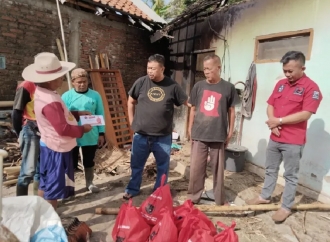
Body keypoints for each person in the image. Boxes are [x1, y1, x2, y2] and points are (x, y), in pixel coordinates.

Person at [247, 51, 323, 223]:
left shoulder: (311, 88)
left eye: (290, 71)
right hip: (275, 137)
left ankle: (286, 206)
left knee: (290, 175)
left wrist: (278, 121)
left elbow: (305, 114)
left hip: (293, 141)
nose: (287, 74)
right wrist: (273, 123)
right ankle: (265, 196)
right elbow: (270, 104)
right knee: (270, 169)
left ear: (302, 68)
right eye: (285, 70)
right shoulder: (281, 84)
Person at [22, 52, 92, 209]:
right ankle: (50, 220)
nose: (62, 79)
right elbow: (63, 128)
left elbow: (59, 117)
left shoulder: (43, 92)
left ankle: (41, 214)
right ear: (50, 79)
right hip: (57, 149)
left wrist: (78, 114)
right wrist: (83, 129)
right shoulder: (50, 101)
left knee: (45, 184)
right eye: (61, 76)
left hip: (49, 144)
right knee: (53, 188)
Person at [123, 54, 188, 200]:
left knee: (163, 166)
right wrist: (132, 122)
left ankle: (158, 192)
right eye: (148, 68)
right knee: (136, 165)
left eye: (153, 68)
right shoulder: (141, 82)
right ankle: (132, 189)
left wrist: (201, 107)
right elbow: (131, 101)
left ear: (162, 69)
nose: (150, 71)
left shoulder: (172, 86)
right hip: (141, 134)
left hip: (163, 136)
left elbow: (187, 102)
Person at [187, 54, 239, 205]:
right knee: (196, 169)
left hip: (218, 134)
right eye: (204, 69)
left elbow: (231, 111)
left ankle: (219, 200)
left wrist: (230, 132)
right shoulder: (199, 86)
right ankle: (193, 198)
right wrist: (190, 129)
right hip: (199, 133)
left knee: (218, 170)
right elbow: (193, 109)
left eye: (209, 69)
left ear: (218, 68)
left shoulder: (228, 87)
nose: (206, 72)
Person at [62, 68, 105, 193]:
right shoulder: (66, 96)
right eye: (79, 82)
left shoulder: (95, 95)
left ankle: (89, 183)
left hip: (91, 134)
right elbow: (63, 116)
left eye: (84, 82)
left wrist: (101, 133)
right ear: (73, 82)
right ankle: (69, 187)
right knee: (71, 162)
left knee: (89, 160)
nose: (82, 84)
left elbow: (100, 114)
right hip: (72, 134)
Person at [12, 80, 40, 196]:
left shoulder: (47, 85)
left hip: (44, 129)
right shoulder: (26, 86)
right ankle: (21, 204)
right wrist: (19, 134)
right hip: (30, 128)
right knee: (28, 170)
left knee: (41, 170)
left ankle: (38, 200)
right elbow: (16, 112)